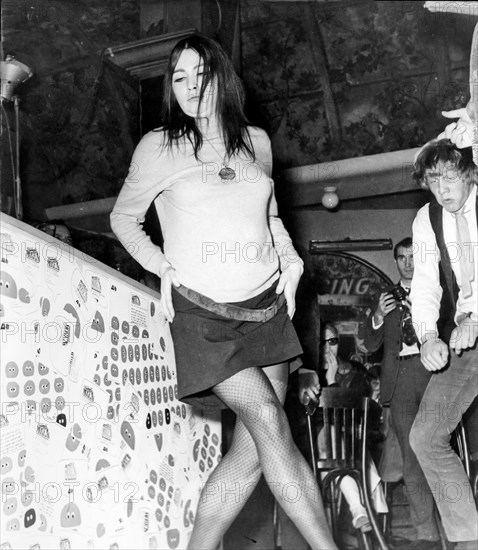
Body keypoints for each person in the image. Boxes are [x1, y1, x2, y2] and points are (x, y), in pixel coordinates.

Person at [110, 34, 337, 550]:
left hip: (265, 309)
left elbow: (271, 216)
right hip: (202, 315)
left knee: (253, 452)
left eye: (201, 73)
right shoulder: (158, 146)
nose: (191, 87)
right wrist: (161, 267)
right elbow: (123, 219)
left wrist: (293, 261)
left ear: (222, 77)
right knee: (268, 419)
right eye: (179, 78)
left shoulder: (256, 142)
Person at [409, 138, 478, 550]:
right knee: (425, 436)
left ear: (469, 173)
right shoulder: (426, 219)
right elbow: (424, 283)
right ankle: (470, 539)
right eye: (434, 181)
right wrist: (428, 336)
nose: (442, 190)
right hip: (465, 338)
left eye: (450, 177)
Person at [362, 237, 441, 550]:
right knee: (411, 458)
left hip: (434, 375)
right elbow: (369, 345)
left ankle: (456, 524)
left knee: (438, 451)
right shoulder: (385, 299)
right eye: (401, 258)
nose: (407, 263)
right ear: (395, 261)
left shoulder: (434, 293)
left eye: (412, 256)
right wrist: (377, 318)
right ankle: (427, 534)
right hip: (401, 379)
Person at [299, 323, 386, 535]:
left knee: (331, 445)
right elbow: (300, 421)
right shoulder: (303, 376)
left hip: (349, 448)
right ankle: (358, 509)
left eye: (333, 341)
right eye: (322, 342)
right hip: (309, 451)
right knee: (325, 442)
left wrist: (331, 382)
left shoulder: (355, 374)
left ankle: (357, 512)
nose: (328, 347)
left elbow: (364, 418)